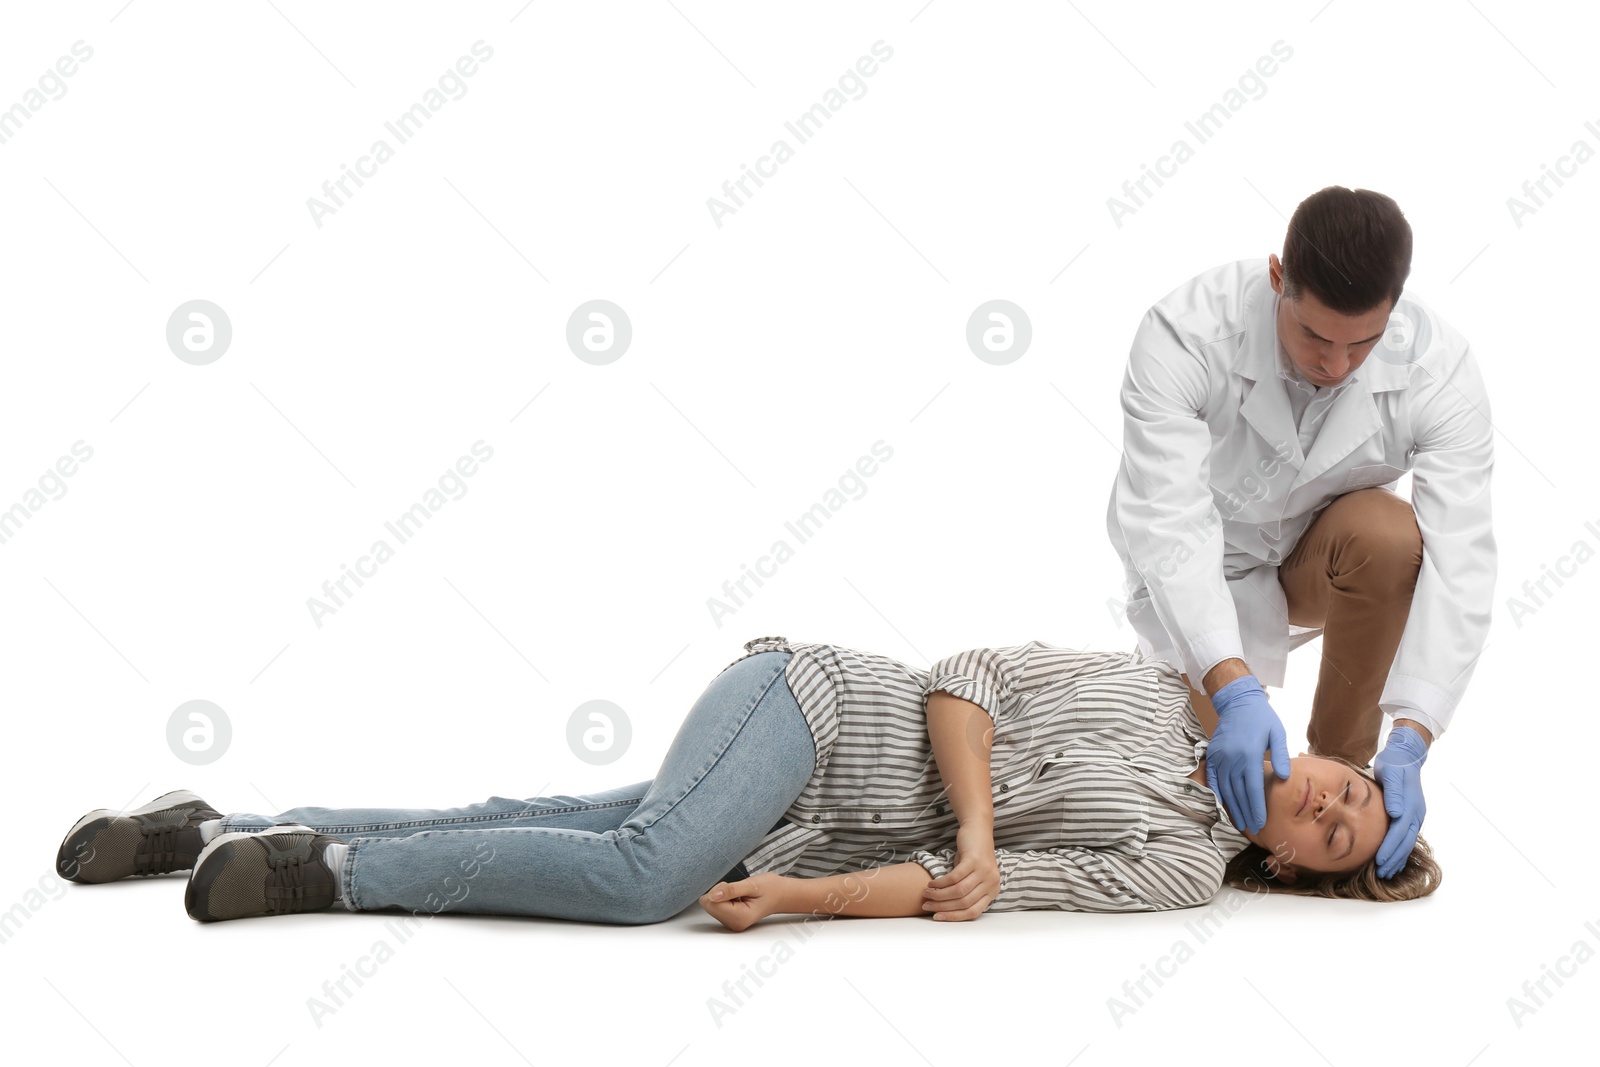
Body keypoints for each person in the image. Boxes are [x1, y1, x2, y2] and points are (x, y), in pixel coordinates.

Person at [56, 635, 1439, 925]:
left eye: (1339, 837)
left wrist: (803, 894)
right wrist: (971, 814)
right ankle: (332, 876)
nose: (1330, 806)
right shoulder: (1171, 684)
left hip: (800, 812)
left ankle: (211, 827)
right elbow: (963, 681)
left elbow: (975, 888)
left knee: (551, 825)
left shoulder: (1181, 867)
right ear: (1322, 749)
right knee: (646, 872)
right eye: (1347, 783)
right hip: (814, 703)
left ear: (1289, 866)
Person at [1105, 186, 1496, 879]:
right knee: (1195, 793)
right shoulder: (1186, 329)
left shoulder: (1441, 371)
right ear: (1279, 277)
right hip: (1202, 561)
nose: (1337, 365)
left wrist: (1414, 731)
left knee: (1389, 534)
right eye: (1316, 336)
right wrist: (1232, 688)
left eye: (1362, 343)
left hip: (1317, 557)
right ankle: (1236, 727)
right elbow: (1168, 520)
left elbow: (1460, 558)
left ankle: (1346, 762)